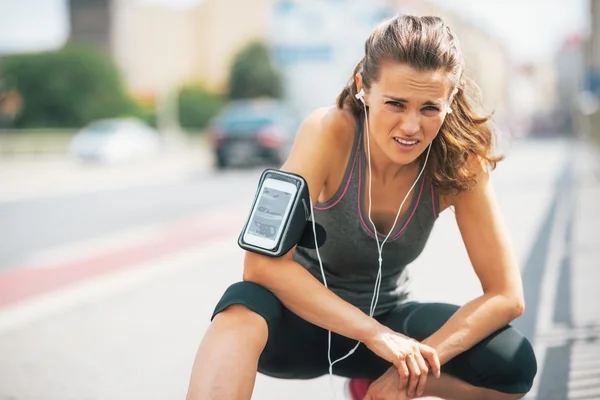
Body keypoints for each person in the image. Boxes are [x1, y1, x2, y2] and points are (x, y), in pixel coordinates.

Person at [186, 14, 537, 400]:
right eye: (395, 103)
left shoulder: (460, 161)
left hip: (389, 323)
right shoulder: (326, 132)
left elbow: (506, 295)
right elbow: (260, 265)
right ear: (363, 89)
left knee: (512, 364)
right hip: (302, 323)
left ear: (450, 101)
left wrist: (412, 368)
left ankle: (371, 387)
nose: (410, 126)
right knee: (240, 308)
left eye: (429, 108)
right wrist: (374, 334)